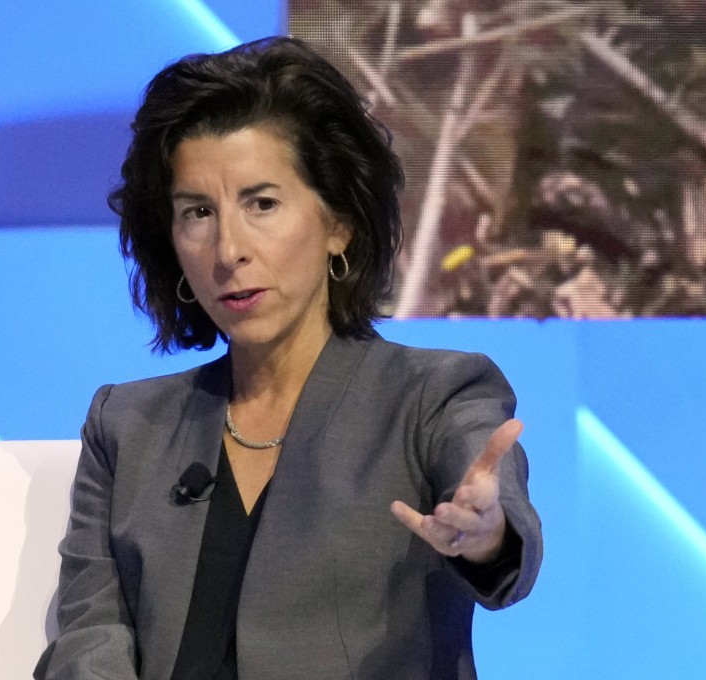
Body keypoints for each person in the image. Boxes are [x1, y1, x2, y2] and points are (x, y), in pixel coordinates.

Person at [34, 36, 542, 680]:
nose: (229, 250)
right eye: (198, 212)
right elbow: (89, 633)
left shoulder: (435, 395)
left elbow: (495, 513)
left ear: (338, 224)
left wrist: (486, 534)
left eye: (262, 204)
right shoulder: (126, 425)